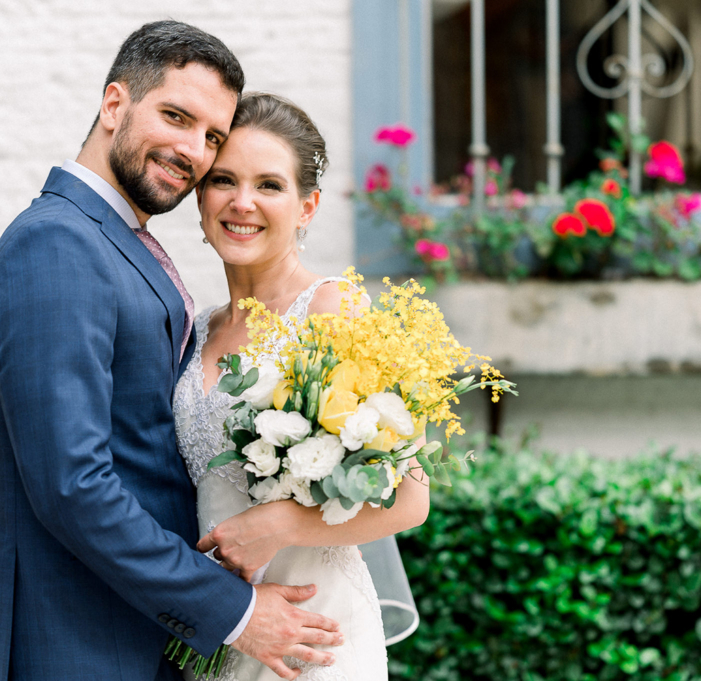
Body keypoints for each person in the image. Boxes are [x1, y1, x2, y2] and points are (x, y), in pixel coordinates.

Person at [0, 22, 342, 681]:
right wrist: (233, 609)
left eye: (212, 136)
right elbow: (72, 485)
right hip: (78, 642)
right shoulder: (56, 244)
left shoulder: (117, 239)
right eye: (176, 116)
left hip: (141, 636)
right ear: (115, 105)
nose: (193, 150)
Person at [174, 92, 431, 680]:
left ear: (307, 205)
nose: (242, 203)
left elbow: (410, 501)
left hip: (316, 634)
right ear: (200, 196)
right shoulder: (194, 328)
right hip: (222, 632)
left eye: (269, 185)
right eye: (223, 181)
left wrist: (282, 524)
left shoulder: (335, 310)